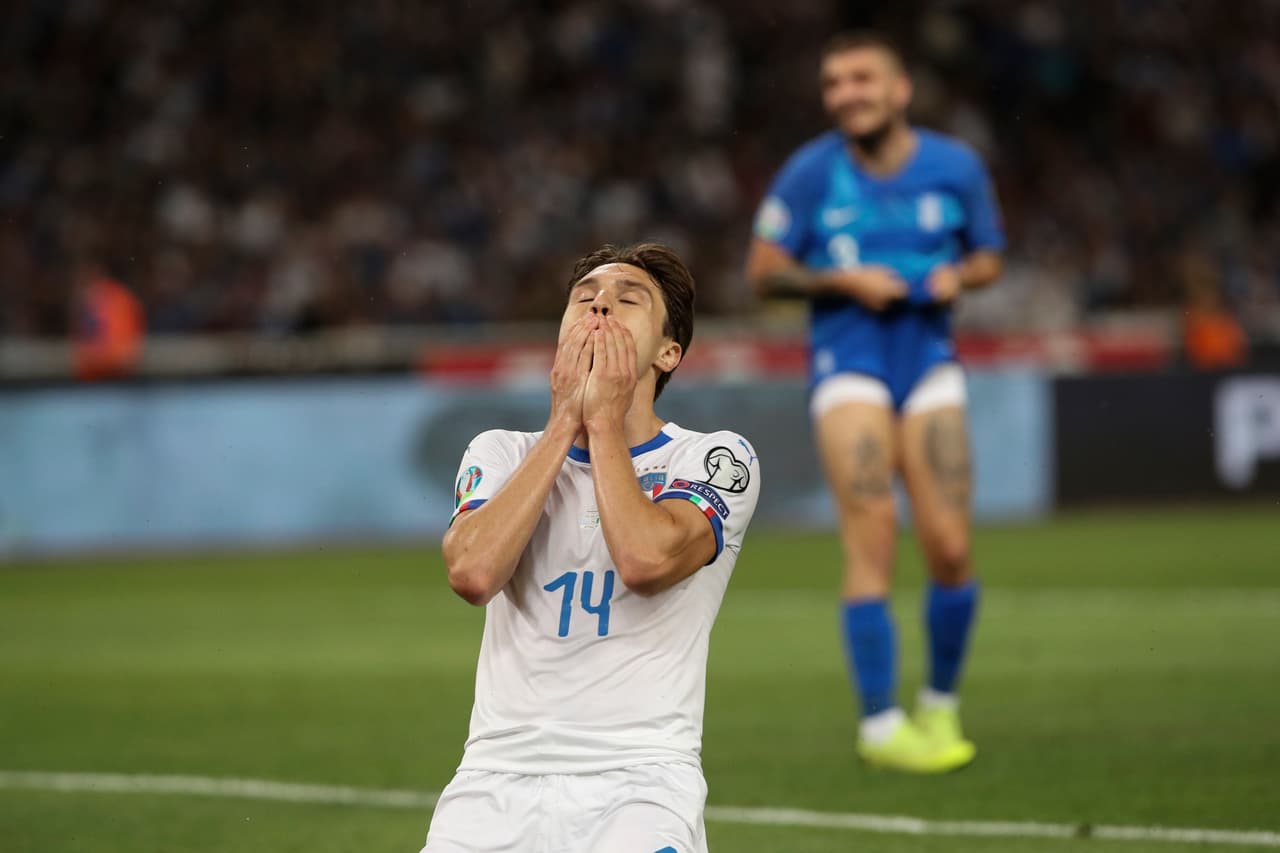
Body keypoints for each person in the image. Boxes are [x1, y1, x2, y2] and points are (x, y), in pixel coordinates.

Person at [424, 243, 761, 852]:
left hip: (640, 783)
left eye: (628, 300)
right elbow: (472, 573)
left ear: (667, 352)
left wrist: (602, 421)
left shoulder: (713, 457)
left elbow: (646, 561)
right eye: (585, 299)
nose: (600, 307)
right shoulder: (498, 451)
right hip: (493, 780)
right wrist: (564, 423)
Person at [745, 31, 1005, 773]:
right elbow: (763, 271)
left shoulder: (956, 167)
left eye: (861, 79)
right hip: (848, 360)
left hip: (928, 359)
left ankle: (939, 704)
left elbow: (989, 256)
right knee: (873, 531)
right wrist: (842, 282)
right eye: (833, 83)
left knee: (950, 546)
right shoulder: (810, 172)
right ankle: (880, 724)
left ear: (899, 90)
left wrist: (961, 277)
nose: (845, 94)